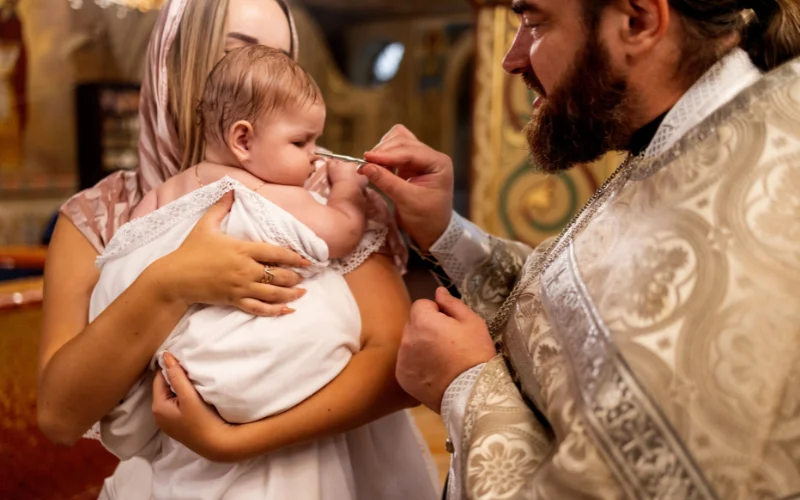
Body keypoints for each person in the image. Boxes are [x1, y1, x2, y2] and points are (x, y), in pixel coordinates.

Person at [360, 0, 800, 498]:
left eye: (533, 23)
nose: (513, 58)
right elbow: (571, 308)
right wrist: (443, 229)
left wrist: (466, 385)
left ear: (639, 21)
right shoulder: (696, 134)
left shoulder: (759, 229)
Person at [37, 0, 434, 498]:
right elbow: (59, 416)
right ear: (170, 63)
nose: (263, 79)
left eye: (282, 62)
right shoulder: (102, 214)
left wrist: (233, 441)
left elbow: (395, 366)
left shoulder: (322, 193)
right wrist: (168, 284)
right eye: (235, 53)